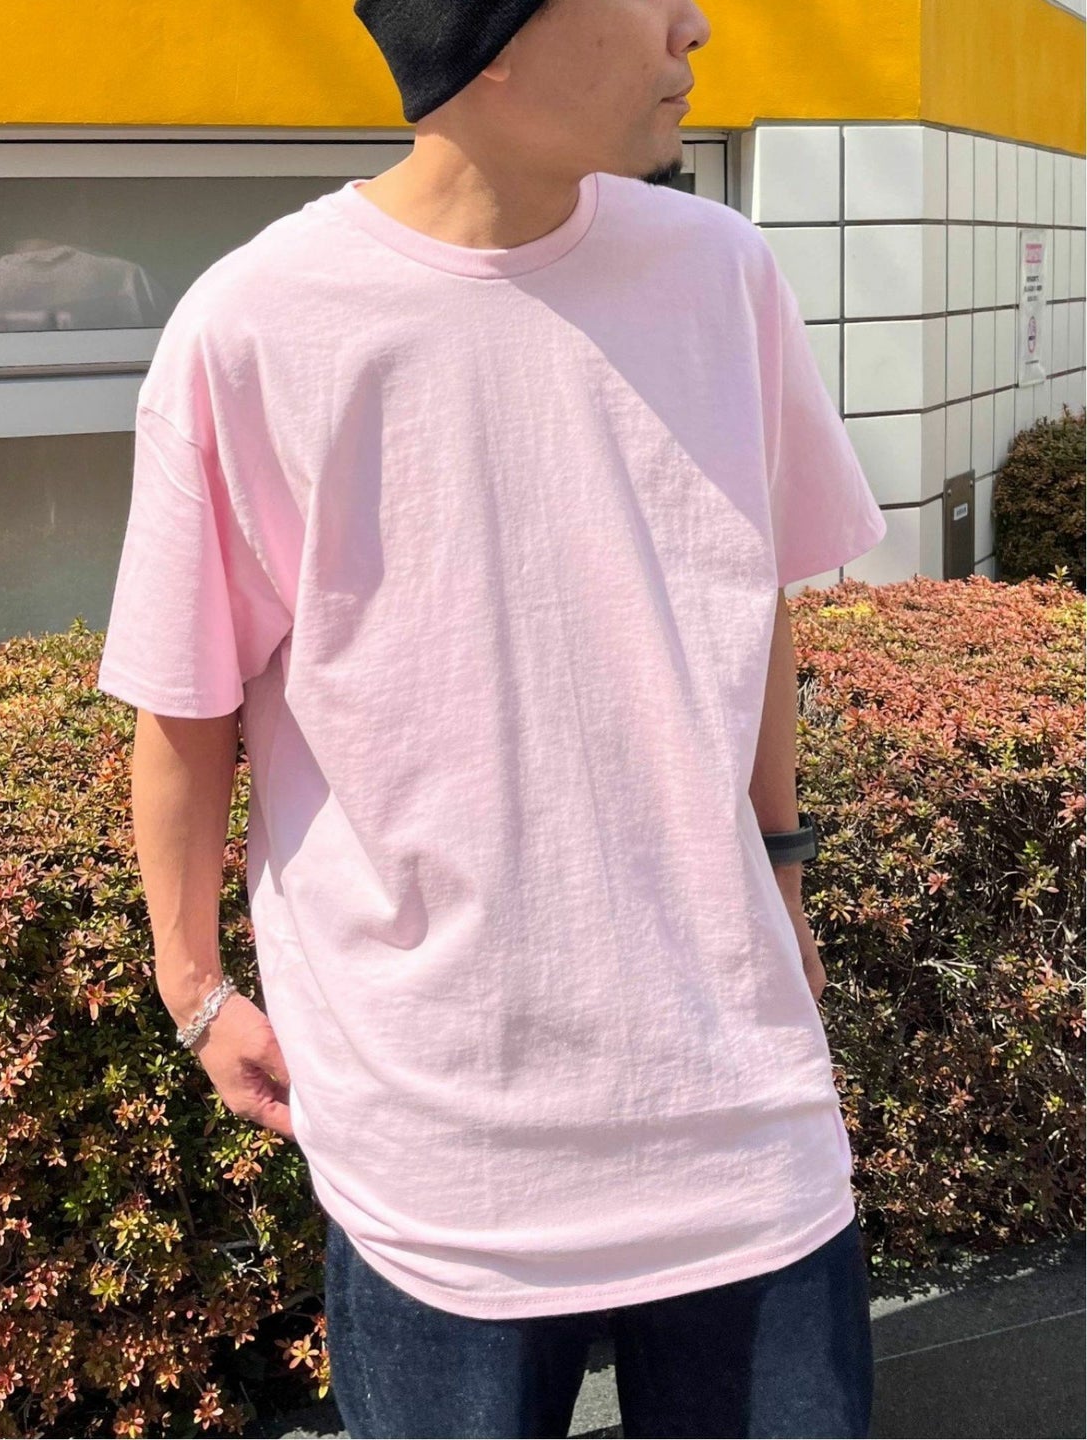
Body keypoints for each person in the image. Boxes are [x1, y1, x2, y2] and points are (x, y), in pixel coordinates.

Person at [97, 0, 888, 1433]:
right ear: (494, 37)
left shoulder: (720, 272)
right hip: (435, 1150)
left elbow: (751, 597)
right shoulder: (257, 324)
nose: (694, 25)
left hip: (737, 1117)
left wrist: (782, 868)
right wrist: (191, 983)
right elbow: (186, 700)